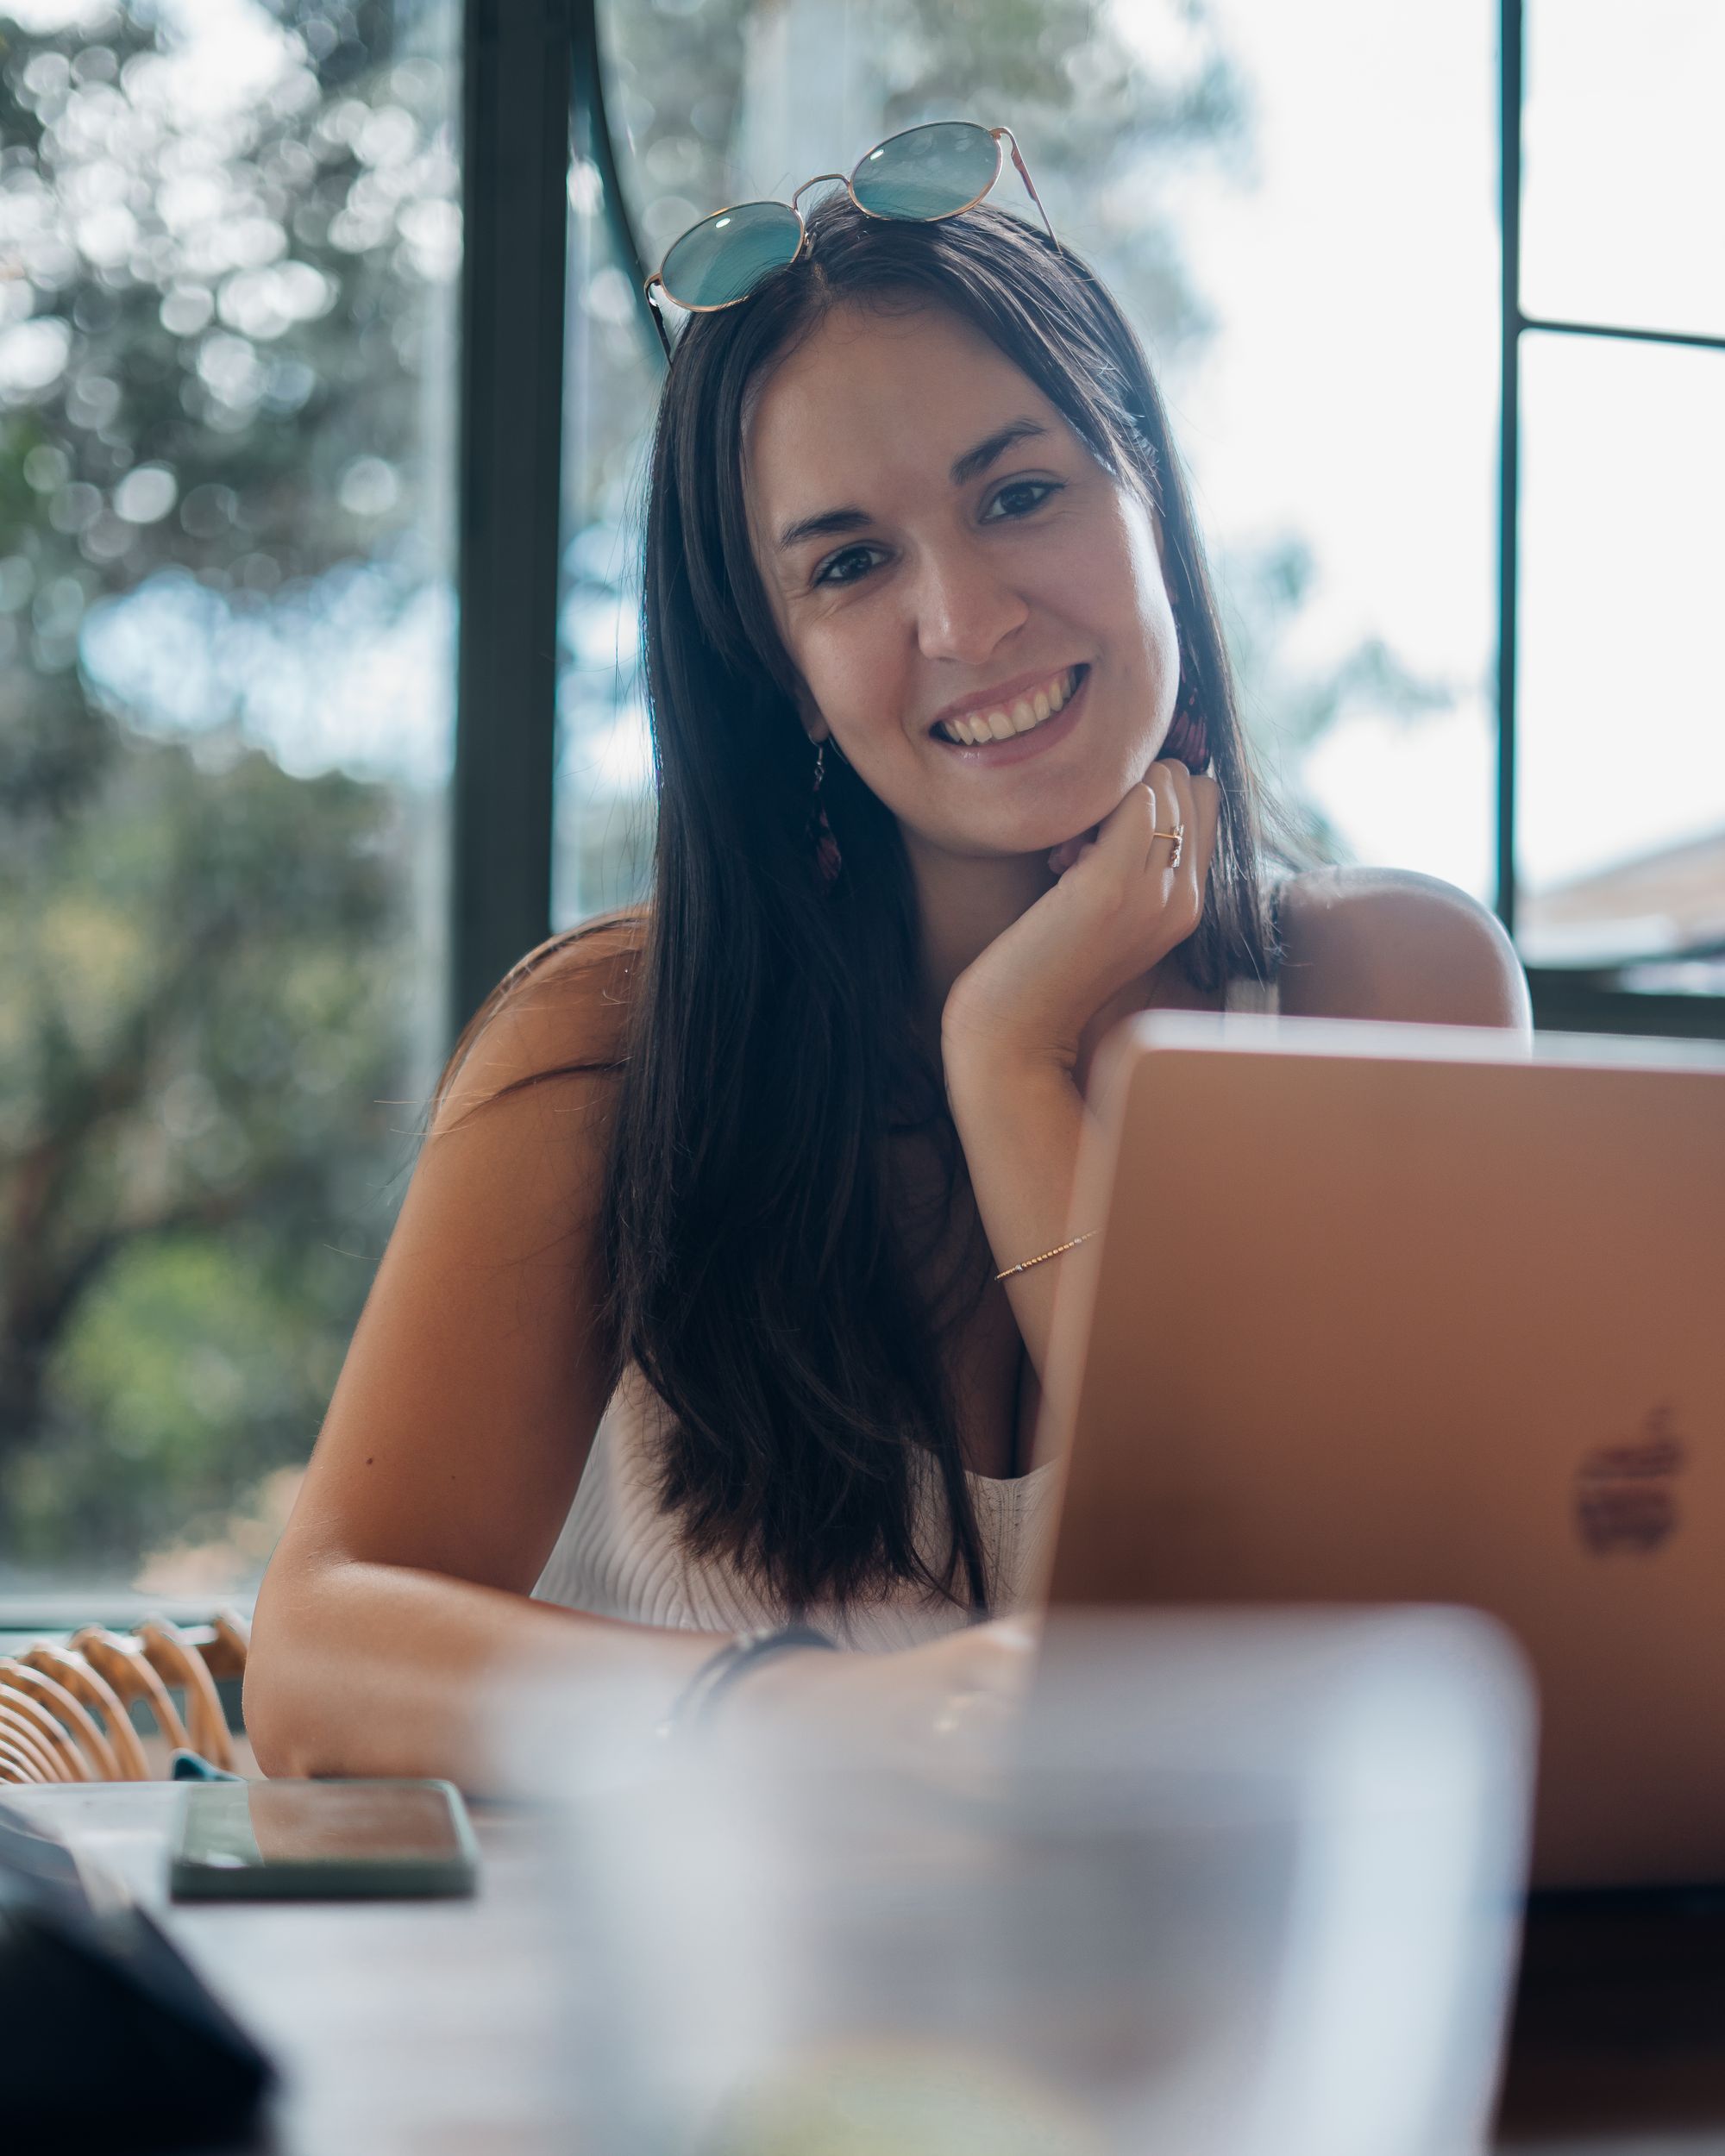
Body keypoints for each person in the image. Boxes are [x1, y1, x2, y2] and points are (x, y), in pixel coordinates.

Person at [245, 151, 1528, 1783]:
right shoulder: (605, 1045)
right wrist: (793, 1712)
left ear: (1147, 495)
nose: (969, 615)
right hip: (672, 2016)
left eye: (1019, 493)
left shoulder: (1392, 993)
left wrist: (1011, 1064)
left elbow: (1324, 1654)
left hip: (1174, 2011)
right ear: (776, 672)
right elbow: (317, 1653)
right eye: (849, 563)